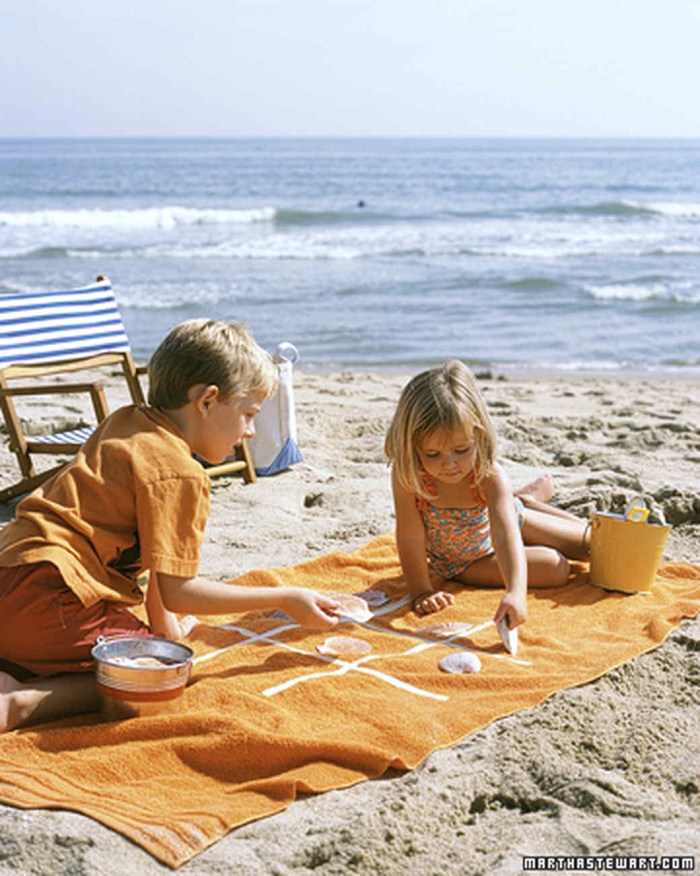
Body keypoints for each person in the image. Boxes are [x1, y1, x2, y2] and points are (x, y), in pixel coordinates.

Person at [0, 319, 340, 733]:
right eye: (248, 414)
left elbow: (159, 566)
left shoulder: (125, 422)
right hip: (50, 600)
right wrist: (287, 597)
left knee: (160, 640)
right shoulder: (180, 473)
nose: (248, 432)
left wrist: (165, 628)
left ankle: (21, 659)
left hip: (12, 577)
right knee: (162, 670)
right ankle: (21, 701)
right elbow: (180, 590)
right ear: (208, 401)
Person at [384, 360, 589, 628]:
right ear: (412, 446)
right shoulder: (409, 476)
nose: (450, 464)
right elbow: (410, 536)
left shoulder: (488, 474)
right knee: (557, 568)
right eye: (433, 454)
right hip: (465, 563)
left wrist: (516, 593)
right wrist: (421, 590)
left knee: (592, 547)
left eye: (462, 450)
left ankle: (525, 502)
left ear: (478, 435)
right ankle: (526, 501)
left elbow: (505, 534)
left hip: (508, 521)